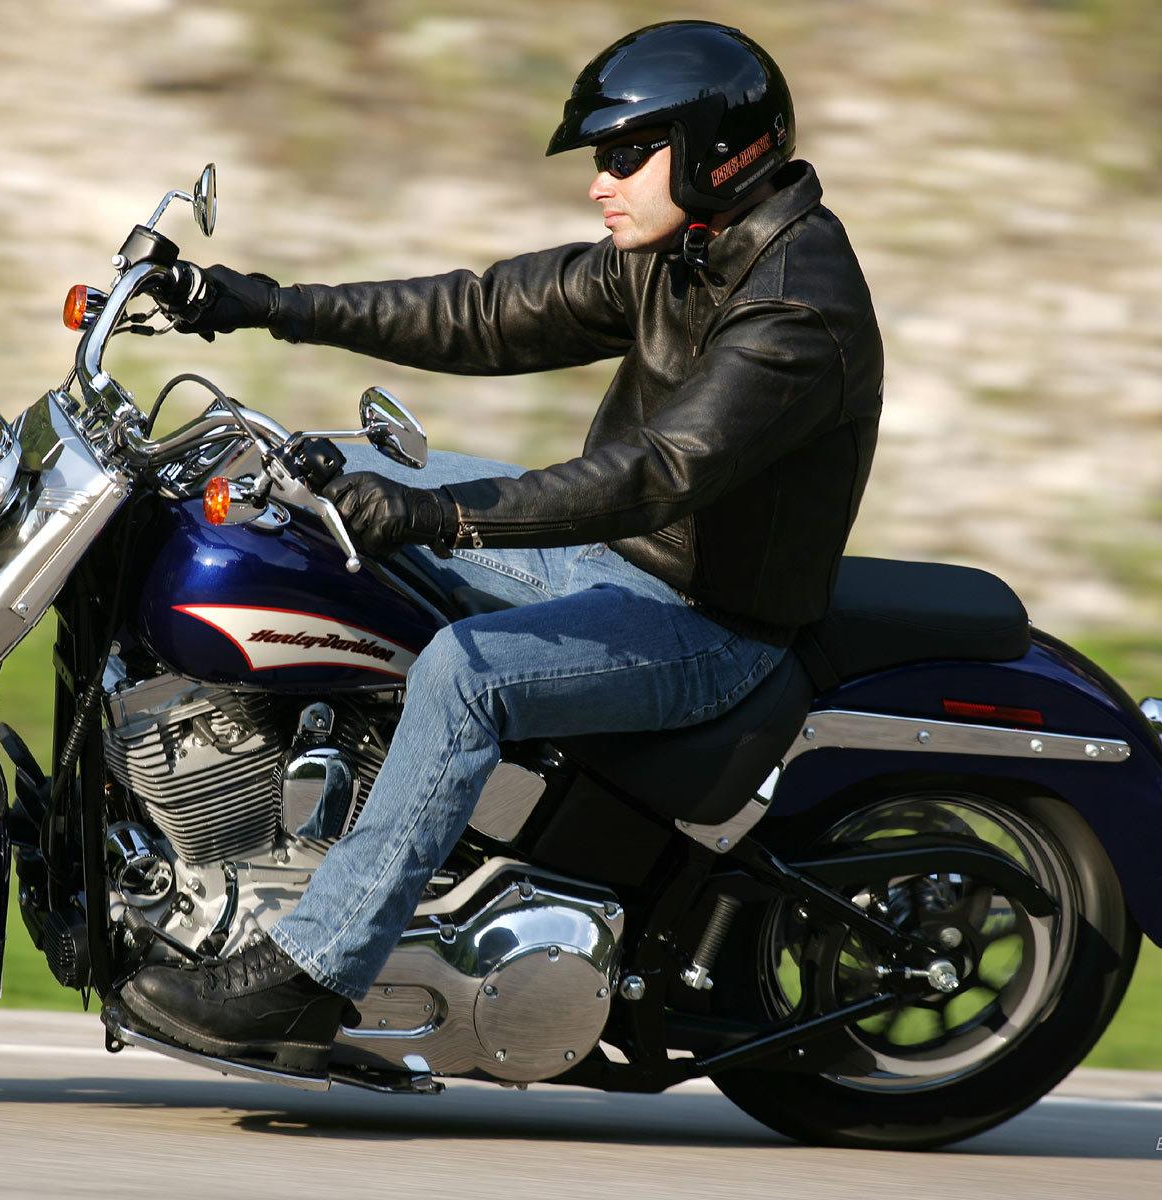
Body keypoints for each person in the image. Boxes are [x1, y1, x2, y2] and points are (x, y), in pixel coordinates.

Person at [119, 19, 884, 1075]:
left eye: (627, 153)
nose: (601, 181)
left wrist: (438, 515)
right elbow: (485, 314)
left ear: (715, 151)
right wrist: (263, 304)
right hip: (620, 562)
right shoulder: (689, 250)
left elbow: (651, 476)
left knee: (463, 674)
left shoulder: (796, 309)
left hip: (704, 625)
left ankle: (309, 975)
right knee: (306, 490)